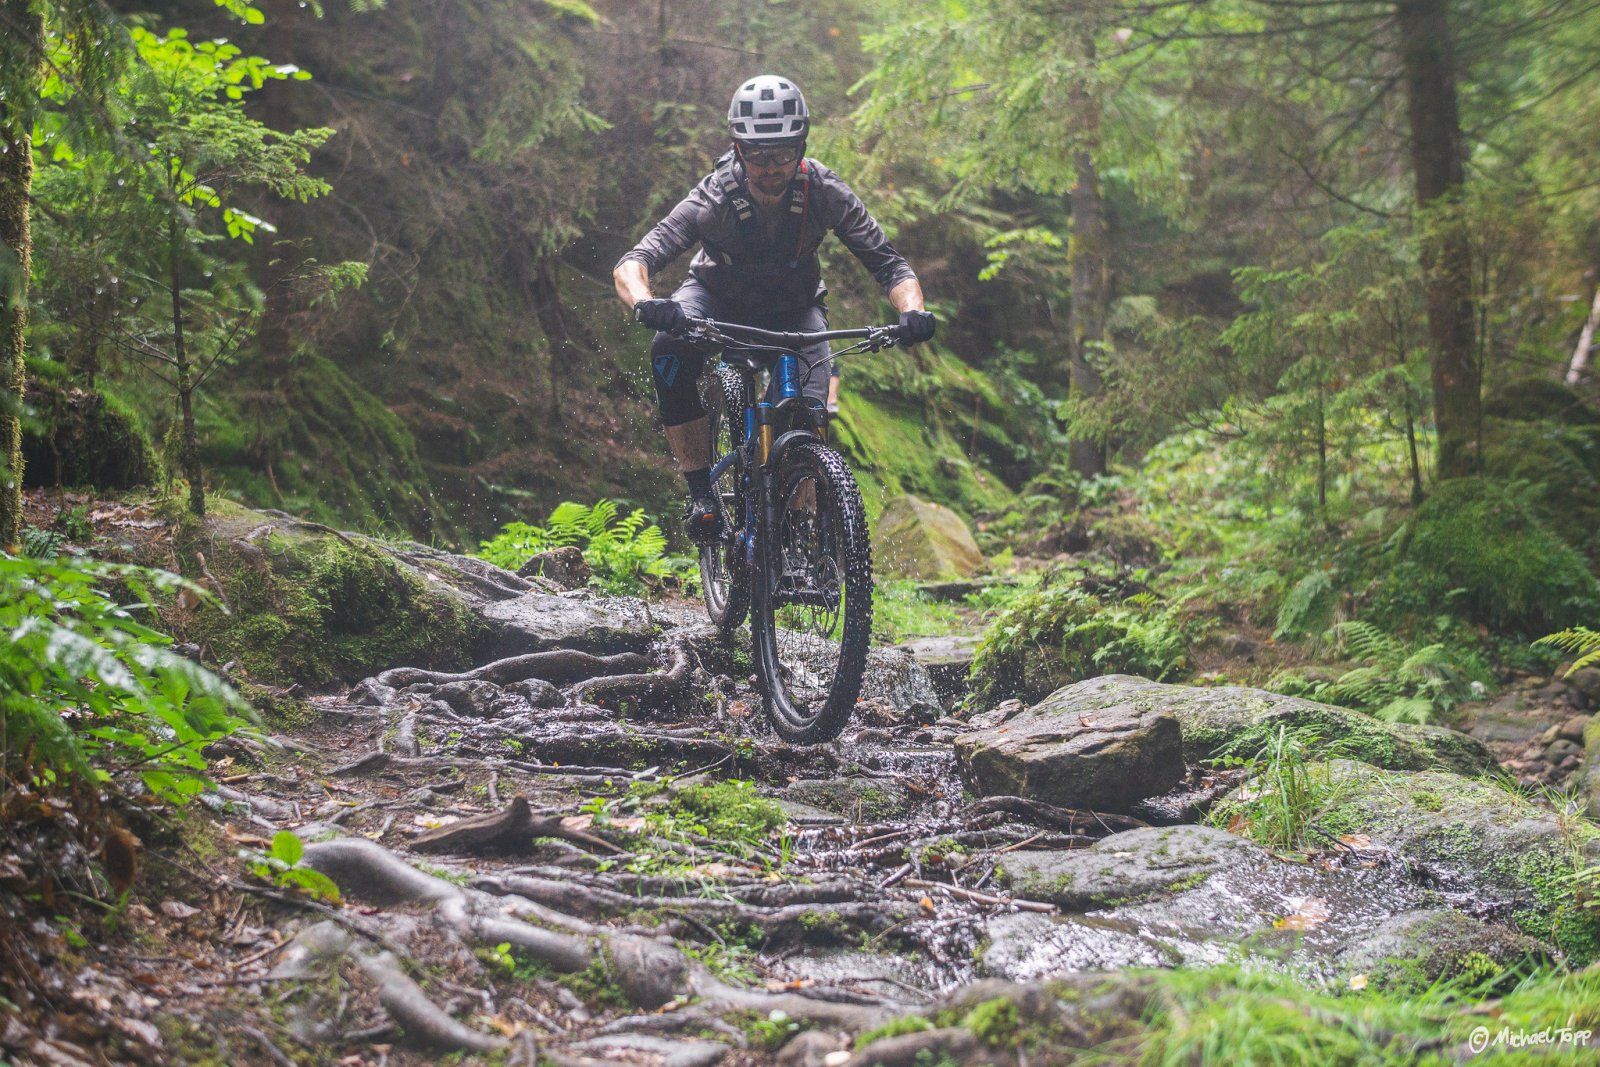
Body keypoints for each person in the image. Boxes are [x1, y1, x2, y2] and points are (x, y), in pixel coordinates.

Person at [613, 74, 934, 544]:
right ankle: (701, 491)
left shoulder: (825, 191)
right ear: (738, 149)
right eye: (757, 154)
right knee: (669, 350)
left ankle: (798, 528)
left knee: (809, 413)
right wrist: (646, 303)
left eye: (782, 154)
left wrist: (912, 311)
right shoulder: (714, 196)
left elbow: (890, 266)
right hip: (715, 301)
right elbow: (635, 261)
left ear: (801, 147)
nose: (770, 167)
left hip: (795, 311)